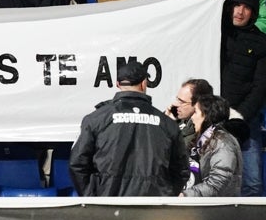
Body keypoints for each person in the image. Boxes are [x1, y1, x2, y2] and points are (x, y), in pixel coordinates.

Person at [69, 58, 190, 196]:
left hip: (108, 207)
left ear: (117, 84)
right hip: (153, 209)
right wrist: (165, 195)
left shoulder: (96, 119)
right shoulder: (167, 124)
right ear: (144, 84)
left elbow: (77, 164)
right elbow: (181, 170)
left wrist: (92, 197)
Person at [221, 0, 266, 195]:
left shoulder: (262, 42)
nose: (240, 12)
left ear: (253, 11)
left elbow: (261, 86)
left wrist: (239, 116)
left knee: (253, 184)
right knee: (215, 182)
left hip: (246, 120)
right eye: (236, 6)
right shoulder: (216, 32)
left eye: (246, 7)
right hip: (213, 118)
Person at [181, 94, 244, 197]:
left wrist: (187, 195)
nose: (191, 117)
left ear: (206, 116)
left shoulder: (223, 143)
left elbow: (218, 182)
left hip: (219, 209)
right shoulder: (199, 140)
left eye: (195, 112)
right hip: (200, 206)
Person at [164, 77, 215, 152]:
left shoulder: (205, 130)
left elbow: (175, 152)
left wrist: (169, 128)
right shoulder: (172, 115)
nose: (176, 104)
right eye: (177, 99)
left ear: (198, 104)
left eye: (182, 102)